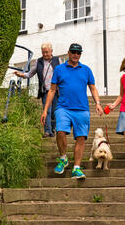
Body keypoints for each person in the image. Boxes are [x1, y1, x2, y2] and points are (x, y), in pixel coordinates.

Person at [41, 43, 103, 180]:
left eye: (78, 52)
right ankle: (63, 158)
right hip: (63, 108)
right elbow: (52, 90)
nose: (76, 54)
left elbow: (93, 88)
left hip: (82, 110)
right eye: (73, 52)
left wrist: (98, 103)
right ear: (68, 53)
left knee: (81, 137)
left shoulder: (86, 70)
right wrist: (45, 110)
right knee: (60, 131)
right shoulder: (59, 69)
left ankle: (76, 168)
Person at [15, 42, 60, 137]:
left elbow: (64, 74)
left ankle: (53, 128)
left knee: (54, 112)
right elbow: (30, 73)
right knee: (46, 110)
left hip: (56, 90)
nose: (45, 54)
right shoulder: (38, 62)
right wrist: (21, 75)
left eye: (47, 52)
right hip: (44, 90)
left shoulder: (57, 60)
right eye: (43, 52)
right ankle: (47, 131)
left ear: (51, 51)